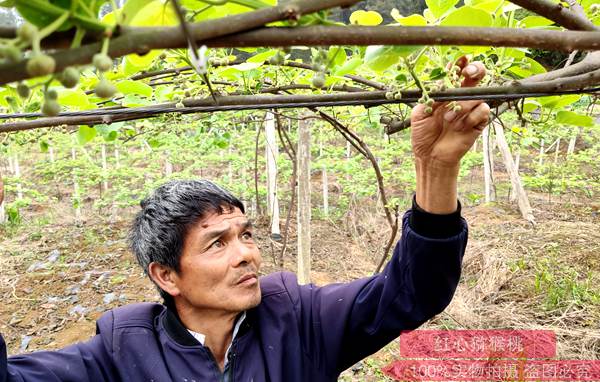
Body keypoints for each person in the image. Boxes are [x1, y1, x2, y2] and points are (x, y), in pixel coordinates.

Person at [0, 58, 490, 382]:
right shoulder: (117, 355)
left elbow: (413, 293)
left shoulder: (300, 320)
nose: (247, 254)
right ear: (166, 275)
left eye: (247, 234)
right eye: (217, 243)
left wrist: (436, 168)